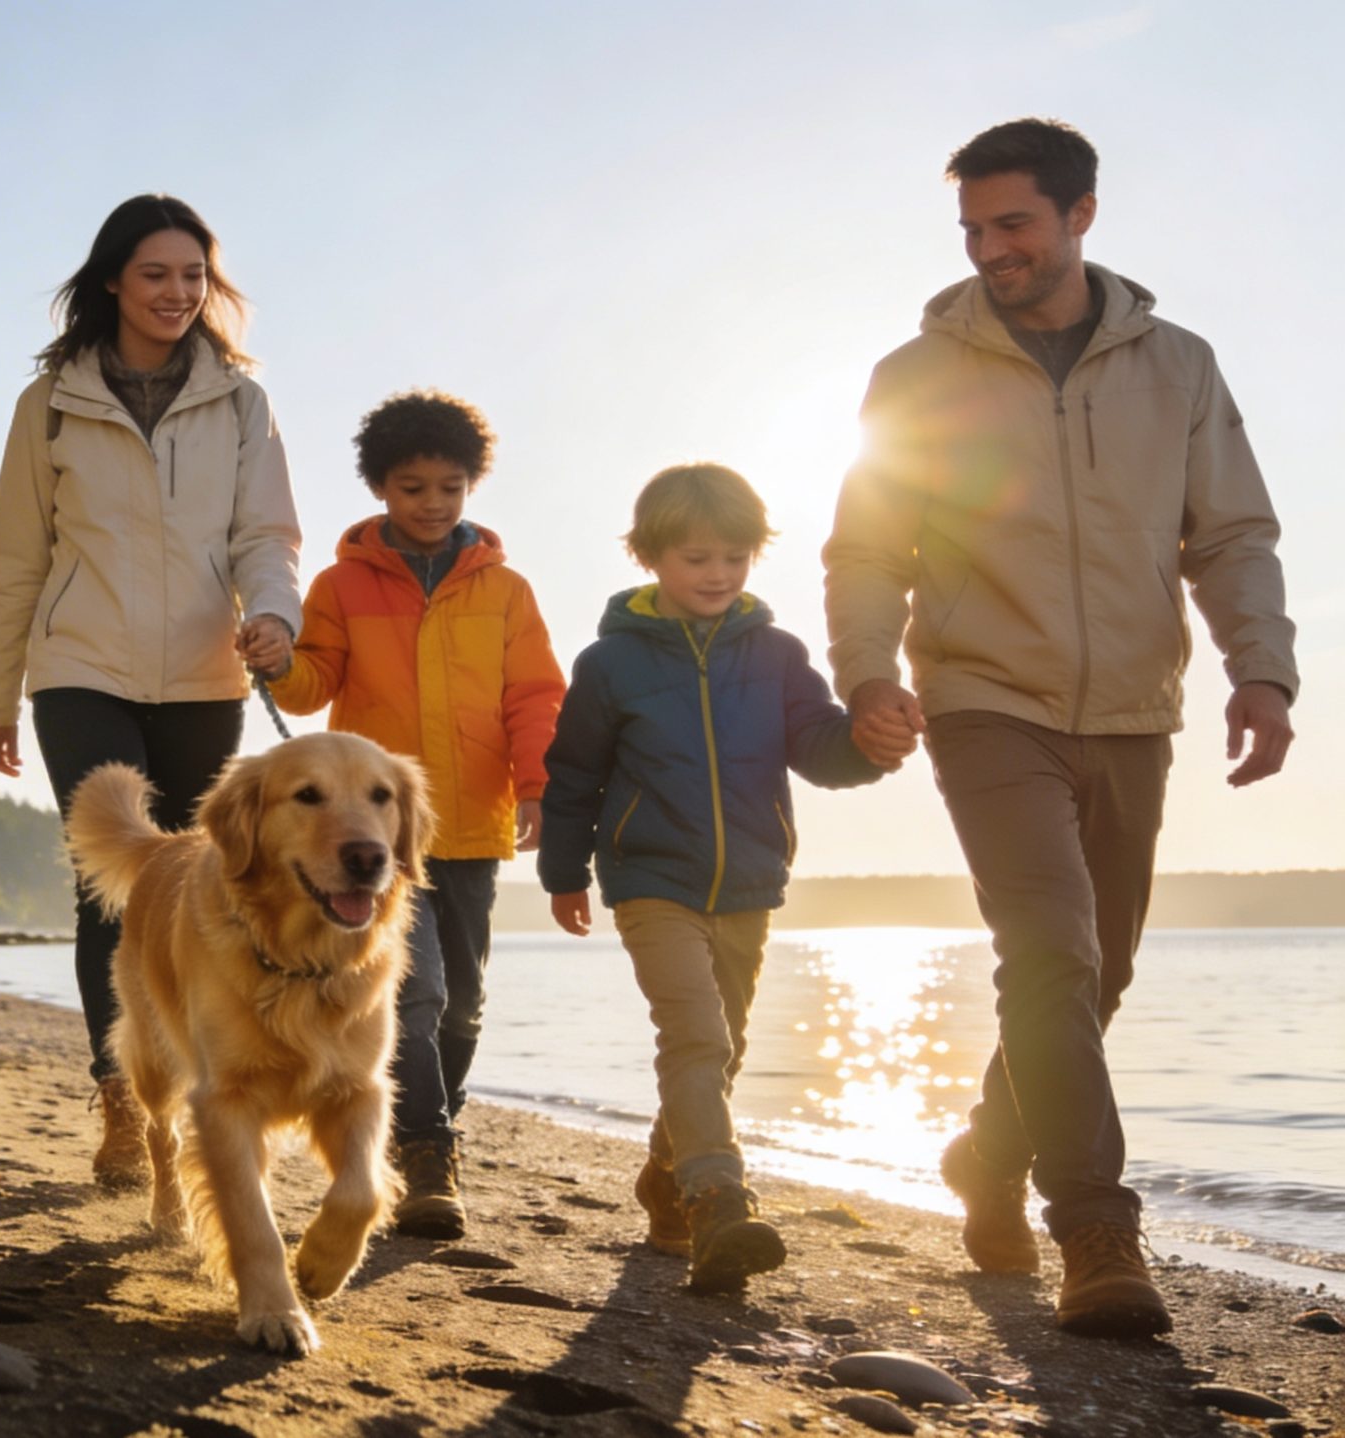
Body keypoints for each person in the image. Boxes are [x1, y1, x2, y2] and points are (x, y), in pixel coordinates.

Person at [824, 118, 1297, 1338]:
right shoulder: (915, 375)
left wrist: (1263, 673)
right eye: (973, 231)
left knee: (1103, 968)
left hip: (1136, 708)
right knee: (1050, 947)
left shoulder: (1178, 365)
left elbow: (1230, 533)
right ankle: (1093, 1227)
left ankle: (987, 1152)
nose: (991, 250)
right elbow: (871, 545)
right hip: (982, 698)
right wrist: (868, 671)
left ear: (1081, 214)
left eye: (1013, 224)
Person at [0, 194, 303, 1188]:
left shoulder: (240, 401)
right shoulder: (50, 404)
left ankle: (196, 1086)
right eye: (155, 273)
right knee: (107, 892)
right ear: (113, 278)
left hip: (206, 674)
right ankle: (121, 1103)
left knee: (201, 892)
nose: (176, 292)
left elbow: (266, 534)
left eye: (193, 276)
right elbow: (16, 557)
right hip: (79, 669)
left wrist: (275, 614)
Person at [541, 464, 888, 1293]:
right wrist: (563, 872)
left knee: (721, 1050)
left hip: (750, 883)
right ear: (652, 556)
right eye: (698, 557)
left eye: (734, 557)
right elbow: (575, 774)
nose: (718, 574)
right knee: (695, 1036)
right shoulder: (610, 663)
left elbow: (818, 748)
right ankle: (717, 1199)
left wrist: (869, 746)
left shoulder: (776, 655)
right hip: (651, 878)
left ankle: (664, 1182)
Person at [260, 389, 562, 1239]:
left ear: (472, 486)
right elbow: (314, 680)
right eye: (412, 487)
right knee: (417, 992)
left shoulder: (506, 590)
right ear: (379, 489)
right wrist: (281, 661)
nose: (432, 504)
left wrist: (538, 785)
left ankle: (431, 1126)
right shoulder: (340, 583)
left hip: (471, 823)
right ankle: (427, 1152)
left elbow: (536, 696)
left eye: (450, 487)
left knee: (462, 1000)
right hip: (375, 834)